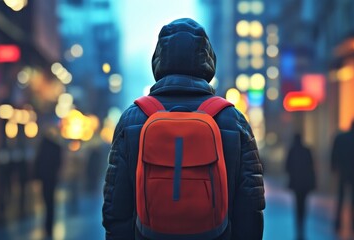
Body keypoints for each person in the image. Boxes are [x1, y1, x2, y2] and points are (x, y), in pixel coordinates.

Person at [102, 18, 265, 240]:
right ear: (208, 60)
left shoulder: (133, 118)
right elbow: (250, 205)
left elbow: (115, 205)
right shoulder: (232, 119)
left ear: (158, 60)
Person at [331, 119, 354, 233]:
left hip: (343, 170)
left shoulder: (341, 137)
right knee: (353, 199)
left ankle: (338, 223)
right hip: (352, 170)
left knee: (341, 197)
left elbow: (334, 152)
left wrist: (334, 166)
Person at [285, 133, 316, 240]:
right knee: (303, 204)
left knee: (297, 204)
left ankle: (299, 225)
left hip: (296, 183)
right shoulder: (307, 151)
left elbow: (287, 167)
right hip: (305, 183)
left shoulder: (292, 150)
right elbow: (311, 167)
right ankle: (302, 224)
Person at [34, 126, 63, 238]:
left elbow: (38, 162)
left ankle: (47, 226)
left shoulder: (43, 147)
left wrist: (37, 176)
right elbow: (58, 163)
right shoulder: (56, 147)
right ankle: (49, 226)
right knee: (50, 202)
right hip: (52, 178)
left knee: (47, 201)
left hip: (45, 178)